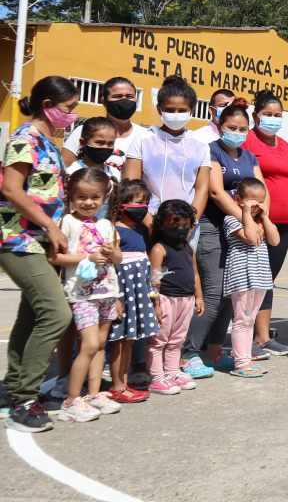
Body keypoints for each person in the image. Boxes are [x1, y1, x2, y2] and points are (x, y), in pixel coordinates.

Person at [1, 76, 77, 433]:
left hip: (41, 240)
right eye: (68, 108)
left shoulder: (48, 139)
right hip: (17, 239)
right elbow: (11, 189)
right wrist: (50, 225)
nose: (72, 115)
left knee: (32, 315)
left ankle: (12, 385)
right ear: (47, 105)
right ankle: (24, 400)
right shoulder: (24, 138)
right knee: (55, 313)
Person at [181, 98, 273, 377]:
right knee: (213, 291)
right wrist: (248, 224)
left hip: (243, 228)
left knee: (228, 295)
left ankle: (213, 353)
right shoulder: (210, 151)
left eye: (243, 128)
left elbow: (262, 189)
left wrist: (257, 220)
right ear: (219, 126)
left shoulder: (248, 155)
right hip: (214, 226)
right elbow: (216, 192)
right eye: (232, 127)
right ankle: (188, 353)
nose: (238, 132)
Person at [51, 167, 121, 422]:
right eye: (81, 197)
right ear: (70, 196)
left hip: (106, 292)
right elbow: (54, 256)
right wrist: (87, 257)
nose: (88, 202)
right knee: (89, 345)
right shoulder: (67, 222)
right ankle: (71, 400)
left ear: (104, 197)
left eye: (95, 197)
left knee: (100, 345)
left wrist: (110, 253)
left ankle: (93, 394)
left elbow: (118, 256)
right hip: (81, 295)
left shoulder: (106, 224)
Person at [243, 90, 288, 356]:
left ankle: (262, 337)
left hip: (284, 224)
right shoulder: (247, 141)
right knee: (252, 281)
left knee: (268, 279)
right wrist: (251, 220)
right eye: (267, 114)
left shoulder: (286, 146)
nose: (272, 119)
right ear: (256, 115)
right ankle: (251, 336)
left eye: (277, 115)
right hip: (258, 223)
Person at [123, 75, 211, 227]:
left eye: (182, 110)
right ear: (159, 109)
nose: (176, 114)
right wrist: (151, 225)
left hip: (185, 222)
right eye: (170, 110)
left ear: (191, 110)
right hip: (148, 219)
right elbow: (132, 186)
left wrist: (190, 223)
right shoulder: (143, 140)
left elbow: (202, 189)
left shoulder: (201, 144)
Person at [105, 180, 160, 404]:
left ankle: (124, 383)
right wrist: (116, 298)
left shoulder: (139, 232)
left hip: (138, 293)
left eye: (146, 204)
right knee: (120, 340)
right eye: (138, 203)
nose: (143, 208)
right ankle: (117, 385)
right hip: (123, 294)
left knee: (129, 340)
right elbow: (110, 269)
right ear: (121, 205)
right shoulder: (114, 231)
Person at [219, 178, 278, 377]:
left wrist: (266, 217)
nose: (256, 207)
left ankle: (246, 360)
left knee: (250, 320)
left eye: (260, 202)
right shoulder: (232, 219)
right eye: (252, 202)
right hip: (242, 276)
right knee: (241, 319)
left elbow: (275, 240)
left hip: (260, 277)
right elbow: (251, 238)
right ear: (238, 200)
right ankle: (241, 363)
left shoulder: (261, 220)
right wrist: (246, 214)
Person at [146, 200, 201, 394]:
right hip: (165, 300)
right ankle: (157, 378)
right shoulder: (159, 249)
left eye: (185, 226)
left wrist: (199, 297)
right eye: (174, 225)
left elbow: (195, 273)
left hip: (186, 300)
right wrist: (155, 304)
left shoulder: (188, 249)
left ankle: (171, 372)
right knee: (159, 340)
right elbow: (153, 281)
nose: (180, 230)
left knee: (177, 340)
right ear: (161, 225)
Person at [61, 77, 142, 173]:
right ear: (104, 102)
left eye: (129, 96)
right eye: (117, 96)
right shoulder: (83, 130)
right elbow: (65, 170)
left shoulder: (144, 135)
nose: (124, 100)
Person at [67, 118, 121, 215]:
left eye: (110, 143)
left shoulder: (114, 173)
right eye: (100, 142)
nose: (105, 148)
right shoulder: (72, 172)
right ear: (83, 142)